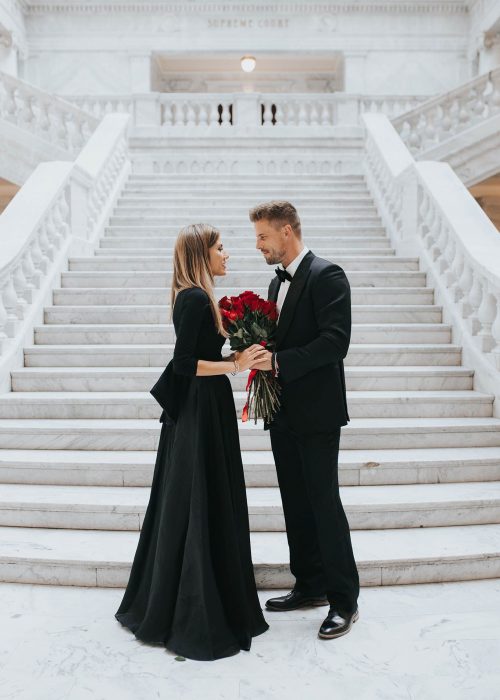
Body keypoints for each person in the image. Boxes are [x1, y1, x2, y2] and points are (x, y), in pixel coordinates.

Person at [115, 223, 269, 661]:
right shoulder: (194, 298)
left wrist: (239, 357)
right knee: (199, 499)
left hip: (206, 408)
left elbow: (199, 356)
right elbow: (185, 365)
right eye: (221, 248)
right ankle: (194, 608)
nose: (227, 255)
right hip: (200, 412)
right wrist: (236, 365)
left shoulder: (197, 297)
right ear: (202, 255)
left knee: (202, 497)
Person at [249, 200, 360, 640]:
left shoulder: (327, 275)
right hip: (282, 412)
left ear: (287, 232)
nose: (257, 245)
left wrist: (277, 363)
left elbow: (335, 342)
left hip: (317, 413)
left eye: (262, 236)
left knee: (323, 504)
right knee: (294, 502)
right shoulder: (276, 284)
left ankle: (344, 601)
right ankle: (309, 584)